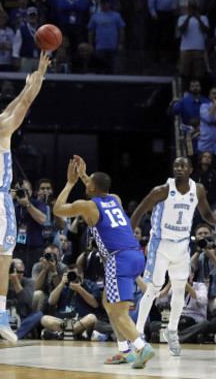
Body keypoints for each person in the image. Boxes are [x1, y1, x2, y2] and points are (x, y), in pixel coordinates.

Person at [0, 52, 50, 347]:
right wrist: (39, 74)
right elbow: (24, 106)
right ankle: (0, 312)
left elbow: (9, 110)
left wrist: (25, 86)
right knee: (3, 259)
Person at [53, 155, 155, 369]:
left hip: (117, 258)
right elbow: (97, 188)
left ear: (90, 187)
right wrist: (83, 176)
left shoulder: (88, 206)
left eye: (87, 183)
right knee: (109, 303)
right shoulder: (115, 199)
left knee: (118, 312)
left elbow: (58, 209)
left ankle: (140, 346)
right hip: (136, 255)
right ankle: (124, 350)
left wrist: (71, 182)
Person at [129, 157, 216, 356]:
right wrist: (129, 240)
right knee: (154, 288)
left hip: (182, 245)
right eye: (176, 166)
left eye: (183, 166)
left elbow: (206, 213)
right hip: (161, 244)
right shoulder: (162, 190)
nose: (179, 168)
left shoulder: (197, 189)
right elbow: (138, 212)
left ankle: (172, 331)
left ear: (191, 169)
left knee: (180, 288)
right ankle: (137, 333)